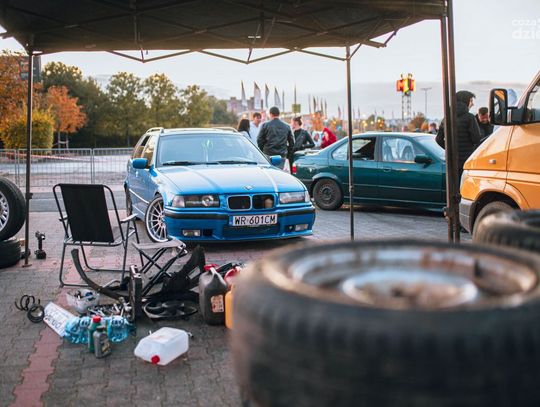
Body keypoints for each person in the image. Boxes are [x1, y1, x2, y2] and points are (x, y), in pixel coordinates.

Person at [436, 90, 482, 177]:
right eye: (471, 101)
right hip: (467, 160)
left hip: (450, 160)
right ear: (466, 101)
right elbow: (476, 139)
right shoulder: (470, 117)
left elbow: (438, 139)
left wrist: (450, 149)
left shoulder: (446, 118)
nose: (472, 104)